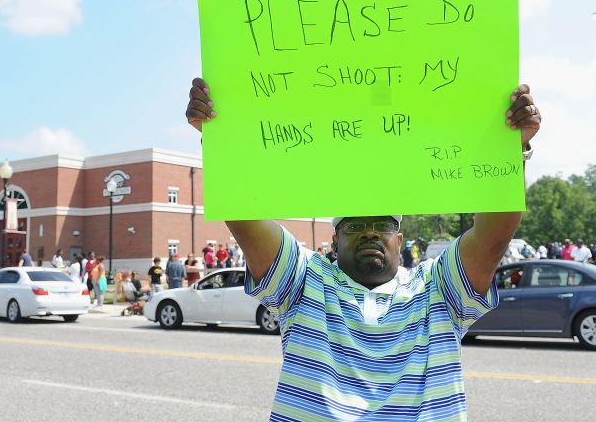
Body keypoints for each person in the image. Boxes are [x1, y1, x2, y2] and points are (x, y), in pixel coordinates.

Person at [186, 77, 541, 420]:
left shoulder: (437, 287)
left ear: (399, 240)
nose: (370, 233)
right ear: (336, 239)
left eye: (383, 226)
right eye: (355, 226)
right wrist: (217, 136)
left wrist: (512, 149)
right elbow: (245, 220)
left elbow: (493, 237)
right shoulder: (305, 281)